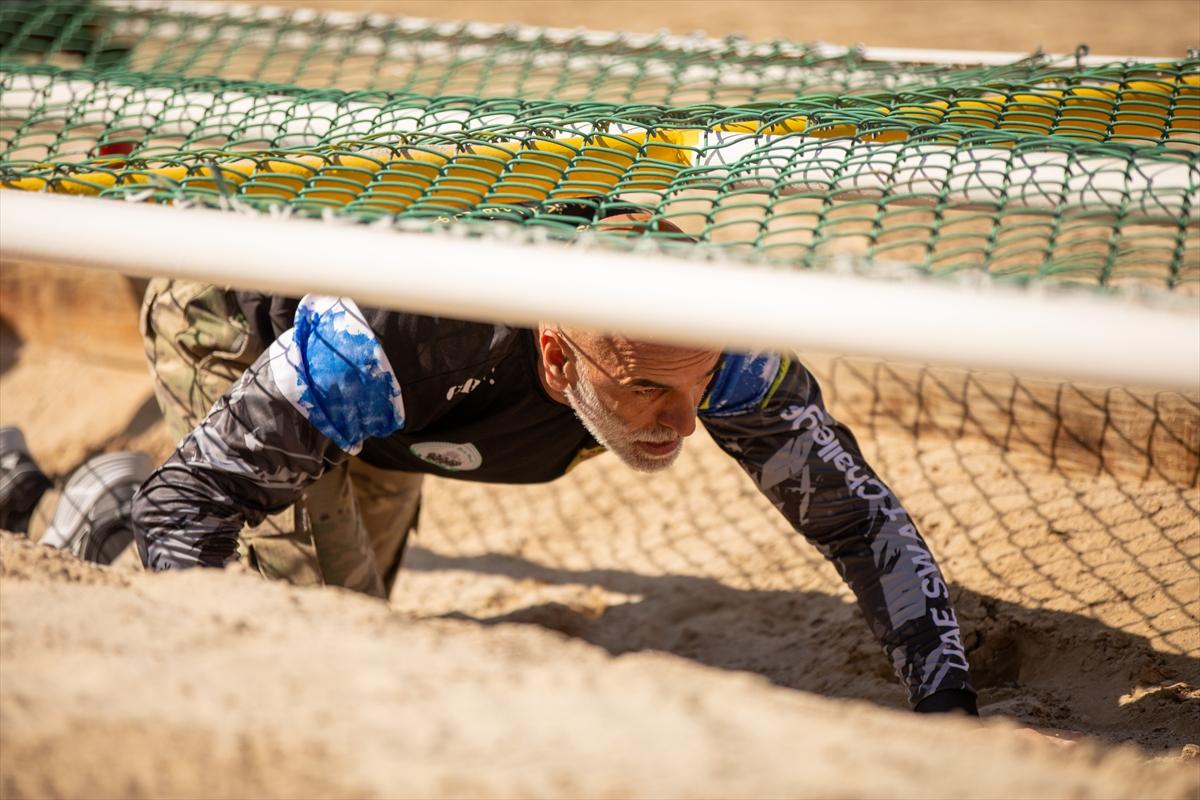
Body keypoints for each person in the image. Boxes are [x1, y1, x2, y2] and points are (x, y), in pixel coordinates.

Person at [132, 200, 978, 717]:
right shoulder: (394, 345)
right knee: (327, 657)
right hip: (236, 317)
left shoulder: (713, 352)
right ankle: (55, 513)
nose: (685, 423)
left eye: (701, 383)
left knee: (355, 616)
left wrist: (951, 717)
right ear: (560, 357)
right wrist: (212, 669)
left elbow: (860, 525)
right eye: (647, 388)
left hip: (390, 405)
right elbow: (182, 506)